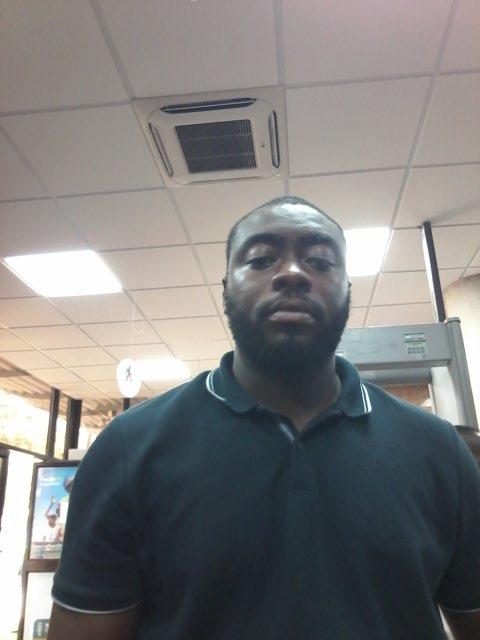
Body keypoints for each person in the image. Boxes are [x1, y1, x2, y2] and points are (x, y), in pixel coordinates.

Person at [48, 197, 480, 640]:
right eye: (260, 259)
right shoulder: (129, 449)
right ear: (226, 288)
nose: (292, 273)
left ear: (348, 288)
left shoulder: (439, 451)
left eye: (319, 260)